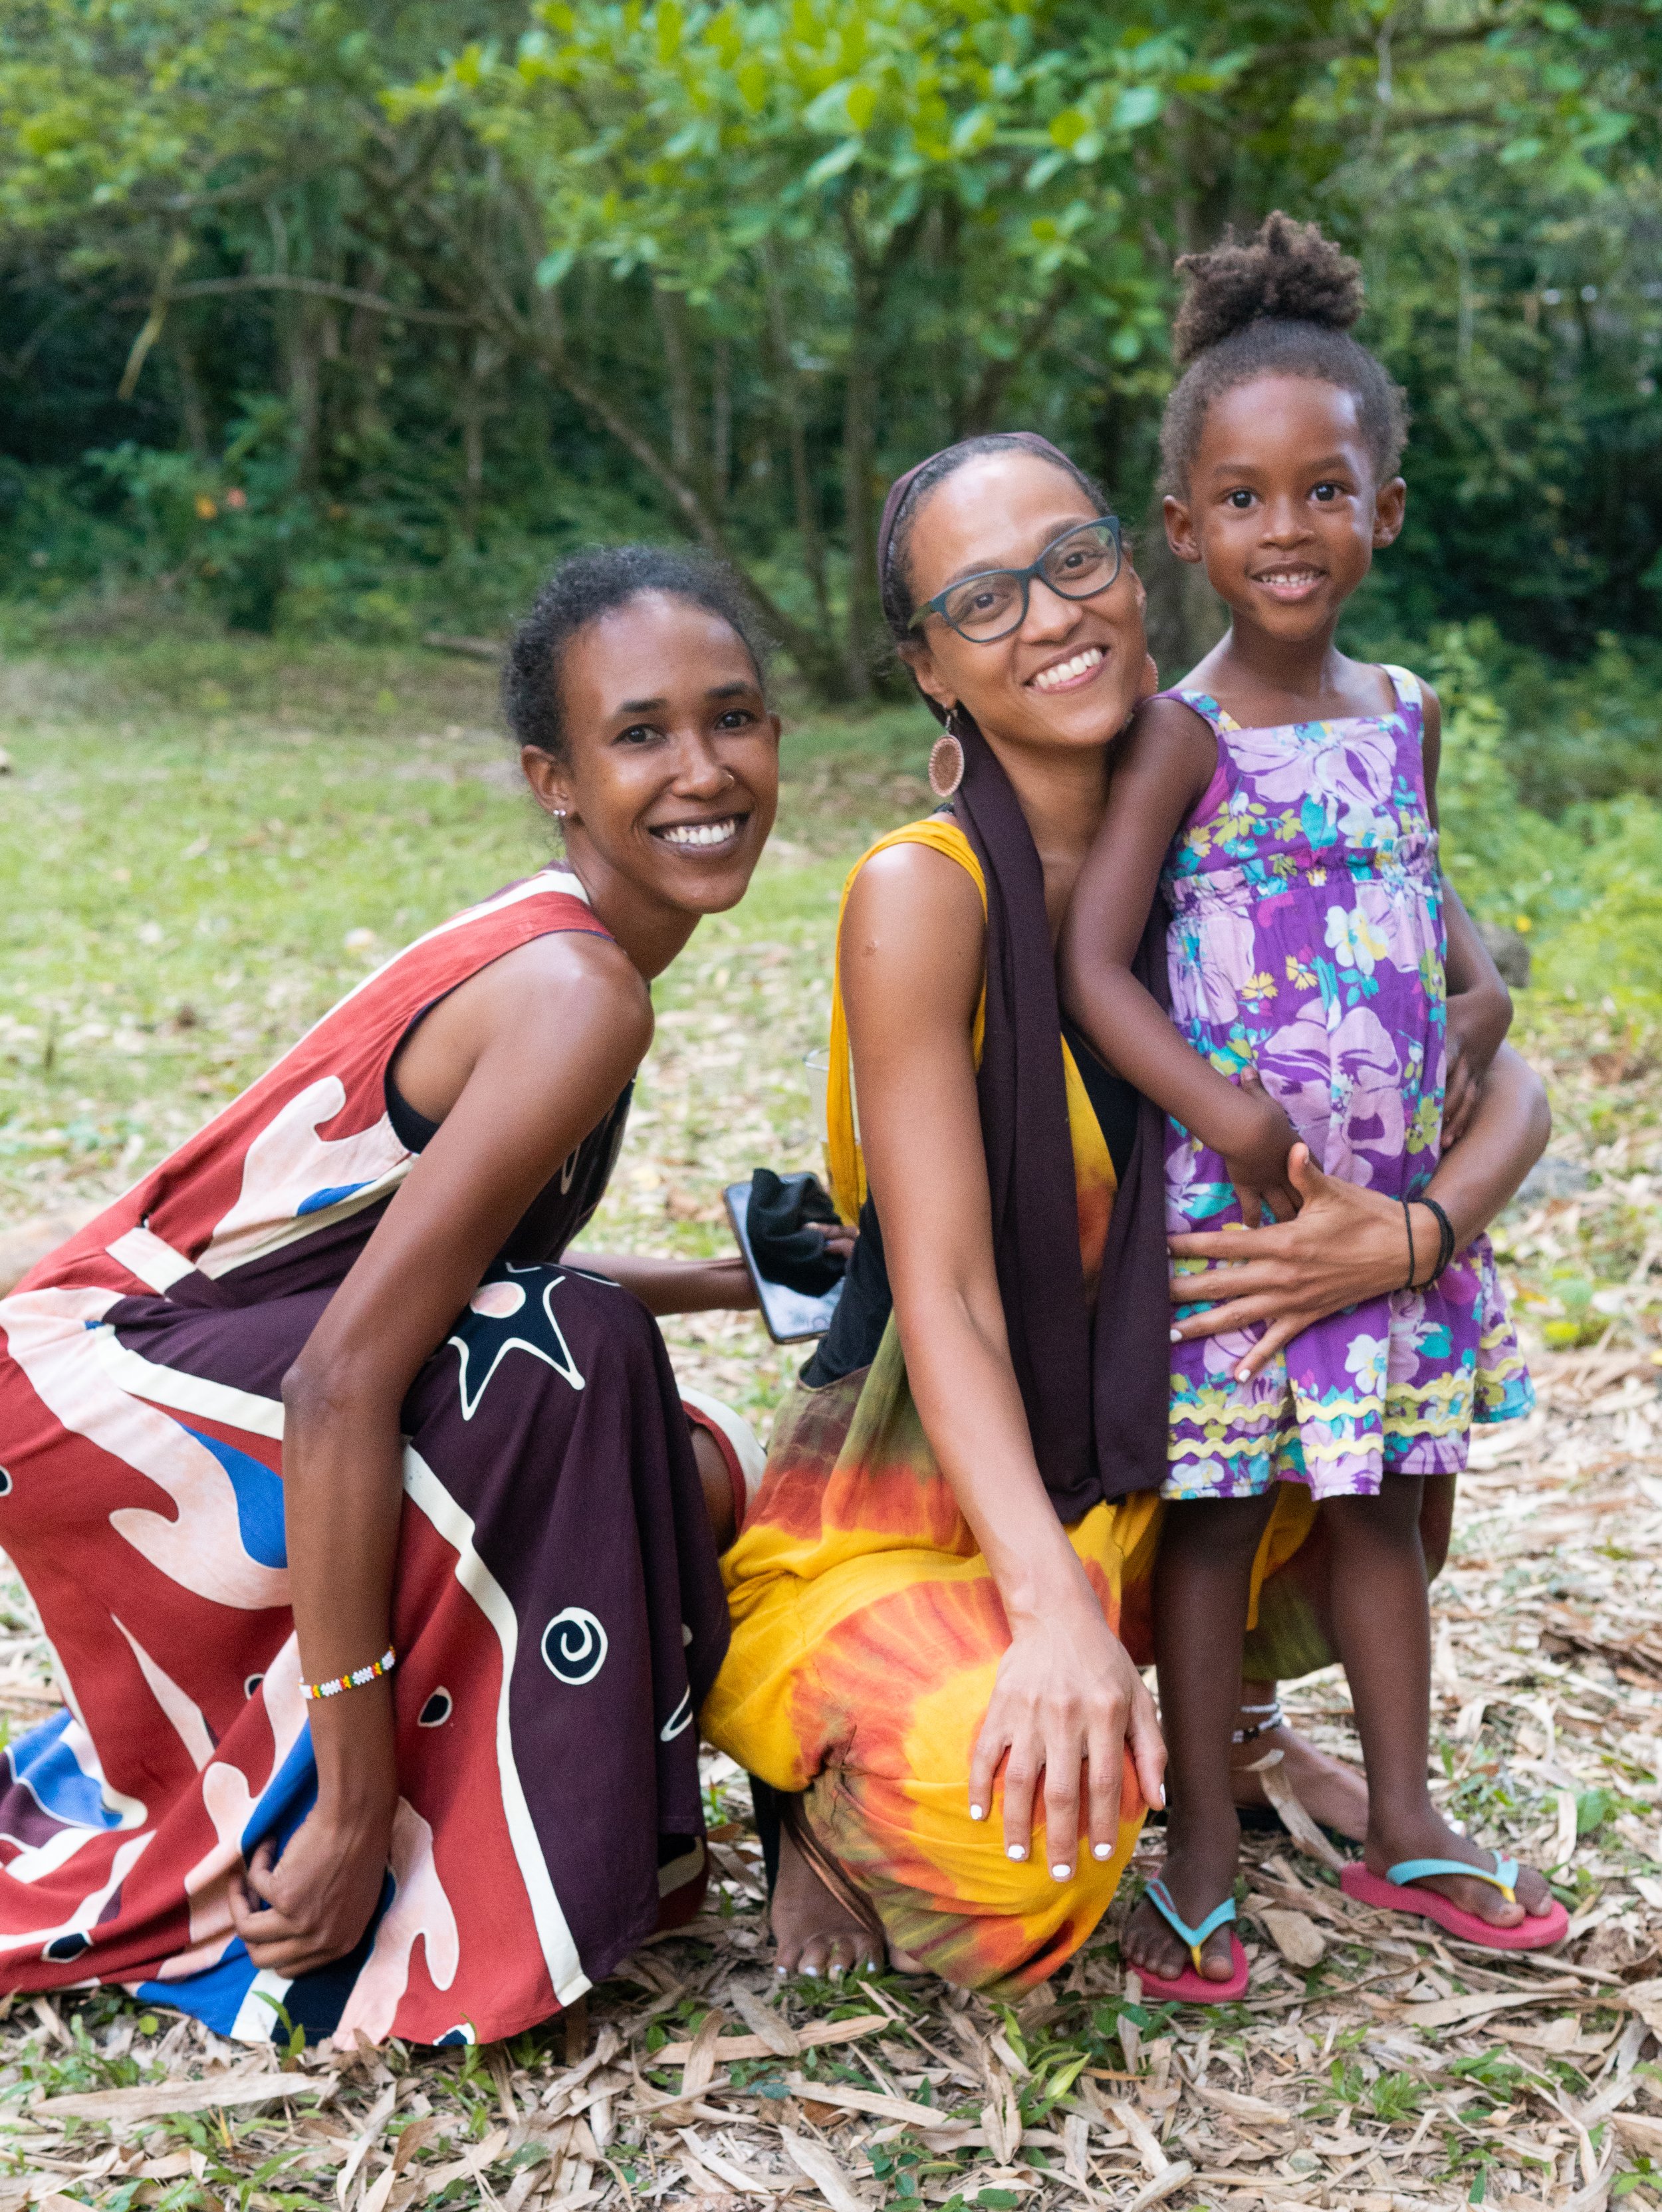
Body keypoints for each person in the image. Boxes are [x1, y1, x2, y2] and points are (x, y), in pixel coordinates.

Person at [705, 430, 1552, 1988]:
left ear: (1132, 564)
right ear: (928, 669)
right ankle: (811, 1799)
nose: (1048, 614)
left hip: (1166, 1427)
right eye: (982, 599)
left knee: (1391, 1468)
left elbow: (1496, 1058)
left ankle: (1232, 1726)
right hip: (941, 1487)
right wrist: (1049, 1612)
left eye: (1071, 560)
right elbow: (948, 1295)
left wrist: (1407, 1234)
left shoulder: (1238, 796)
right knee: (1033, 1845)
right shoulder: (925, 891)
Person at [0, 545, 777, 2046]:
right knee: (578, 1368)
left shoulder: (574, 954)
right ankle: (356, 1833)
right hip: (107, 1394)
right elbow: (343, 1372)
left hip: (147, 1356)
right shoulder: (580, 991)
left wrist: (725, 1280)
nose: (702, 769)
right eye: (640, 734)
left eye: (731, 717)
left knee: (675, 1451)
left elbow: (426, 1268)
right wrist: (354, 1806)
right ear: (555, 780)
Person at [1059, 213, 1565, 1999]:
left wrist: (1473, 991)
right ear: (1182, 525)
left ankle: (1403, 1818)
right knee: (1211, 1521)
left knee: (1385, 1505)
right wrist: (1224, 1114)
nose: (1287, 528)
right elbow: (1095, 967)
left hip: (1389, 1204)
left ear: (1384, 510)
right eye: (1244, 497)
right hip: (1240, 1222)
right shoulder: (1180, 732)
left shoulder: (1402, 711)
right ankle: (1200, 1837)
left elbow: (1429, 914)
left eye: (1324, 491)